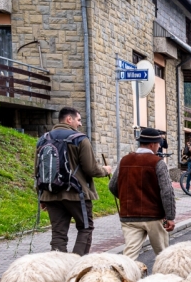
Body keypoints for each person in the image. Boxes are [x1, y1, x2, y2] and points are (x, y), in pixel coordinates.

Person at [38, 106, 111, 255]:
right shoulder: (80, 139)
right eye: (78, 120)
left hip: (50, 194)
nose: (80, 124)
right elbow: (91, 169)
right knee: (85, 228)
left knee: (58, 233)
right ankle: (77, 266)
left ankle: (58, 269)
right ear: (69, 119)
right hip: (76, 194)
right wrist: (105, 170)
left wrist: (41, 197)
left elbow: (37, 171)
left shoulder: (43, 139)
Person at [108, 127, 176, 260]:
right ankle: (165, 278)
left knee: (129, 256)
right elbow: (166, 191)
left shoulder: (124, 160)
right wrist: (170, 216)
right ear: (152, 144)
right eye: (158, 144)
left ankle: (124, 277)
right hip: (153, 216)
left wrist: (127, 199)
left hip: (129, 215)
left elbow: (112, 186)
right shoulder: (157, 162)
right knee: (163, 255)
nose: (159, 147)